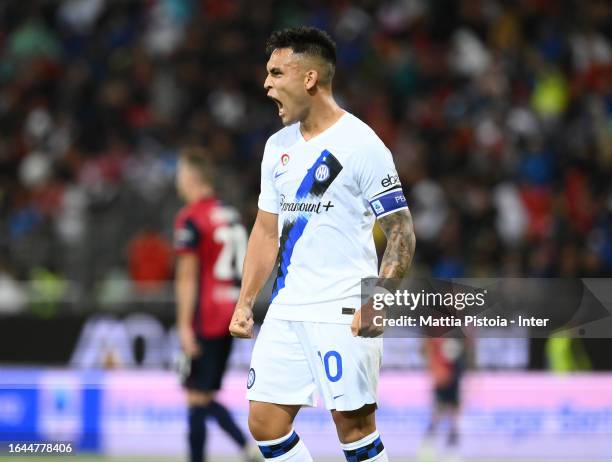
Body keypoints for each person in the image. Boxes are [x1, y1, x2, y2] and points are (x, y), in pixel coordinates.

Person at [229, 27, 416, 462]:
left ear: (309, 78)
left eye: (276, 73)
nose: (266, 83)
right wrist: (245, 301)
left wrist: (379, 299)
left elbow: (402, 232)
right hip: (288, 307)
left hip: (343, 307)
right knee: (265, 423)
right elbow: (264, 230)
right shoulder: (277, 147)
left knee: (354, 428)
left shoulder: (362, 145)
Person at [174, 147, 259, 462]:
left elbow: (186, 276)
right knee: (201, 394)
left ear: (191, 177)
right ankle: (245, 448)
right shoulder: (232, 213)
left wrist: (184, 325)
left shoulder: (191, 217)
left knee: (196, 395)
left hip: (206, 315)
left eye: (180, 176)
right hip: (232, 311)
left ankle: (244, 448)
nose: (177, 183)